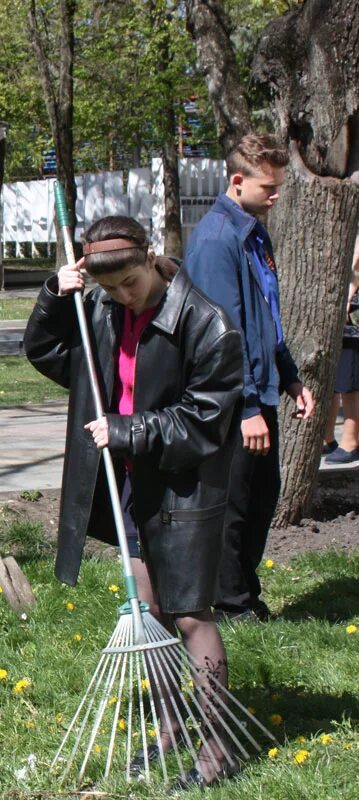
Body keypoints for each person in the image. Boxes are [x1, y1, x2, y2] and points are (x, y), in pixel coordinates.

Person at [25, 216, 244, 788]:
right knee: (150, 609)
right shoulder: (99, 309)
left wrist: (126, 431)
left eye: (130, 282)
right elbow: (49, 352)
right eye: (110, 288)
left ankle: (218, 748)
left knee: (191, 612)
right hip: (130, 481)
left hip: (186, 484)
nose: (124, 296)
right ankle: (169, 727)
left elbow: (207, 419)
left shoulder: (207, 324)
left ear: (152, 257)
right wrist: (56, 293)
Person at [184, 133, 314, 622]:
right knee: (234, 506)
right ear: (237, 182)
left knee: (261, 500)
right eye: (269, 187)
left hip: (261, 392)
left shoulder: (254, 234)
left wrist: (291, 378)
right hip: (235, 405)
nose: (277, 194)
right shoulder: (219, 240)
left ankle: (245, 593)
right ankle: (230, 603)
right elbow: (224, 335)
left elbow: (266, 320)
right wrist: (248, 409)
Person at [323, 237, 359, 464]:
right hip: (342, 297)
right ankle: (326, 436)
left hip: (352, 304)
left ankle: (351, 440)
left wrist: (349, 292)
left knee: (349, 374)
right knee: (334, 375)